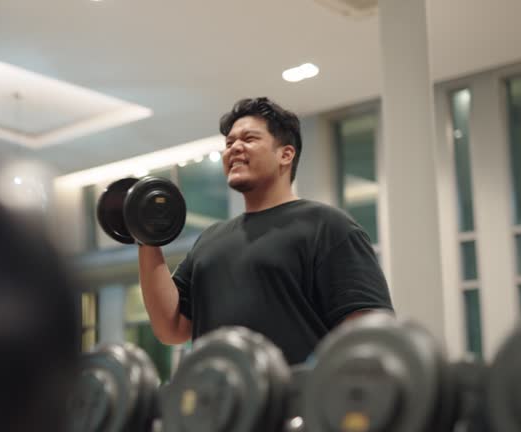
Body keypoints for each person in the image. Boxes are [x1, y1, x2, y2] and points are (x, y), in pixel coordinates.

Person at [137, 97, 394, 365]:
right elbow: (171, 328)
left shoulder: (327, 226)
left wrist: (323, 402)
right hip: (220, 401)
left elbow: (368, 333)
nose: (234, 148)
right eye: (229, 143)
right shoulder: (210, 240)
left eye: (249, 139)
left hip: (298, 403)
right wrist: (146, 238)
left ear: (286, 154)